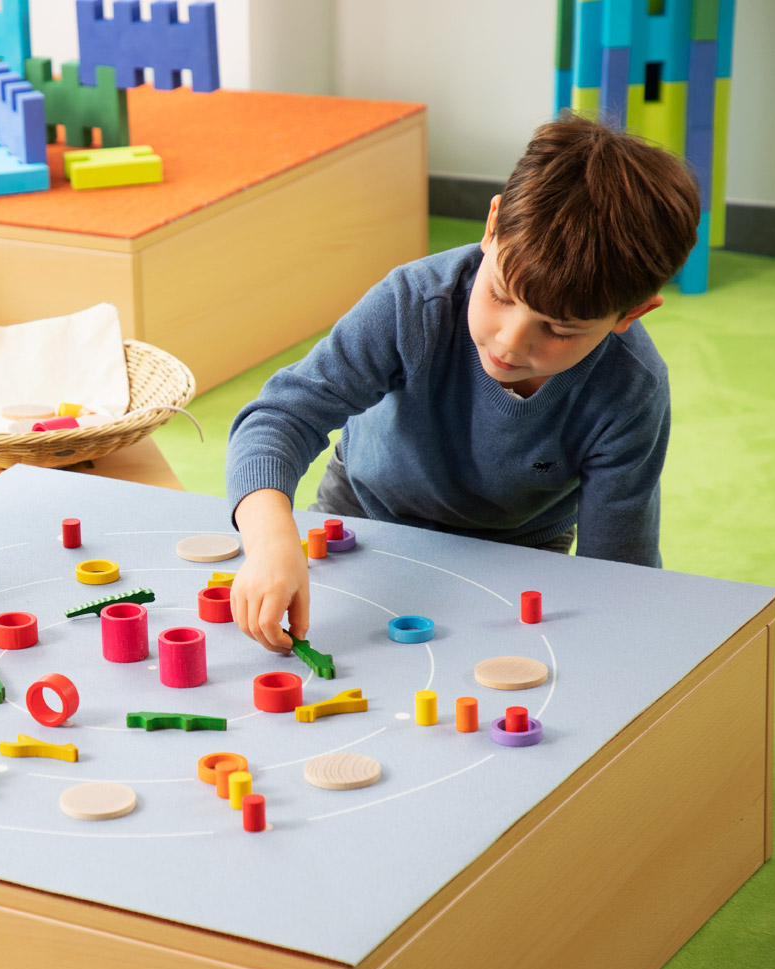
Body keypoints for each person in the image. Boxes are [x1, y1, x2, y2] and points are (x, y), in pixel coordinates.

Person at [225, 112, 701, 654]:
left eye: (560, 330)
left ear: (631, 314)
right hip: (364, 511)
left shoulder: (631, 389)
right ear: (492, 225)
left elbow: (617, 572)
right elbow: (281, 416)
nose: (510, 343)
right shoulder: (412, 304)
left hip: (520, 545)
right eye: (500, 294)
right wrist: (270, 541)